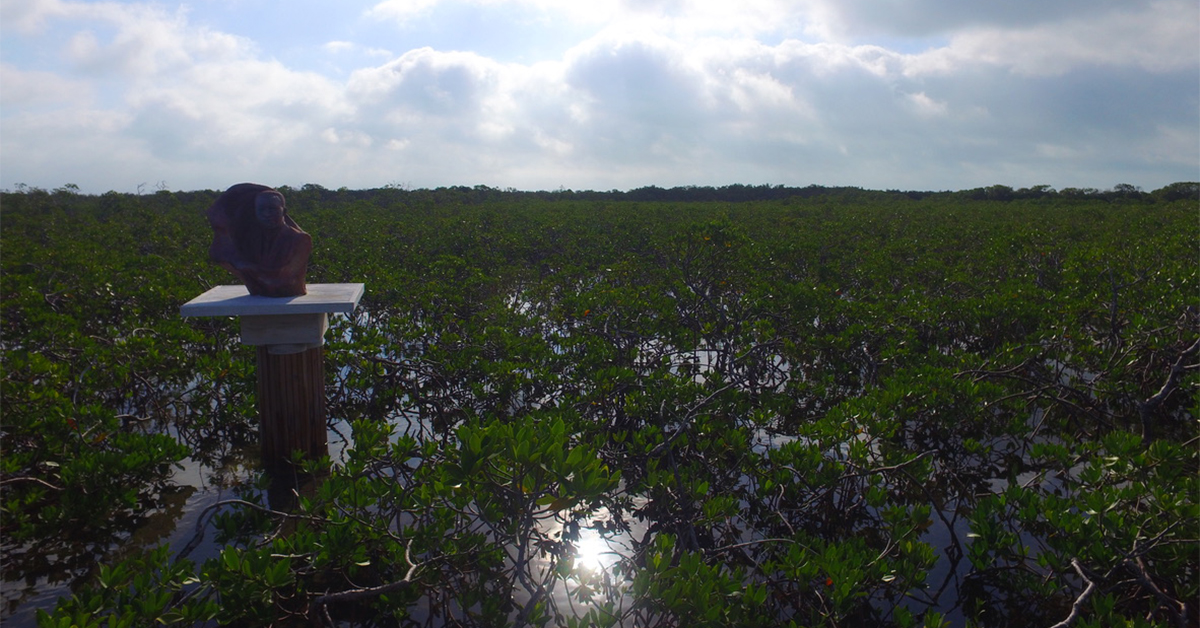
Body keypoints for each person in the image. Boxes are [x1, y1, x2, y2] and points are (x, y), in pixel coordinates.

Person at [207, 183, 312, 297]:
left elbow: (283, 279)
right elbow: (220, 254)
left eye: (273, 209)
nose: (267, 214)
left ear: (284, 211)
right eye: (262, 210)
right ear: (255, 213)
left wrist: (248, 267)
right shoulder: (251, 239)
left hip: (289, 294)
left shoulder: (300, 239)